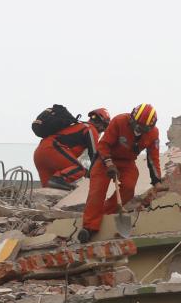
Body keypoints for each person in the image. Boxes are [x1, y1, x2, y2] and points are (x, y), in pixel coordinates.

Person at [78, 103, 162, 242]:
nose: (138, 130)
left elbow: (153, 158)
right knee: (97, 192)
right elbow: (103, 145)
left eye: (142, 128)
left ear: (149, 128)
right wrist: (109, 163)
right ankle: (88, 228)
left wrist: (157, 181)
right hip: (105, 159)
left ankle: (104, 215)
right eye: (136, 126)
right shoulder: (119, 121)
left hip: (127, 162)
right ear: (131, 118)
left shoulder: (153, 134)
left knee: (128, 189)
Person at [33, 108, 111, 189]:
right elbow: (94, 155)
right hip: (52, 148)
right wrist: (97, 174)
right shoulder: (90, 128)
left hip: (40, 152)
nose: (103, 130)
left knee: (50, 187)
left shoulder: (77, 125)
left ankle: (57, 181)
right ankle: (59, 178)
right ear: (102, 124)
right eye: (104, 127)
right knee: (80, 169)